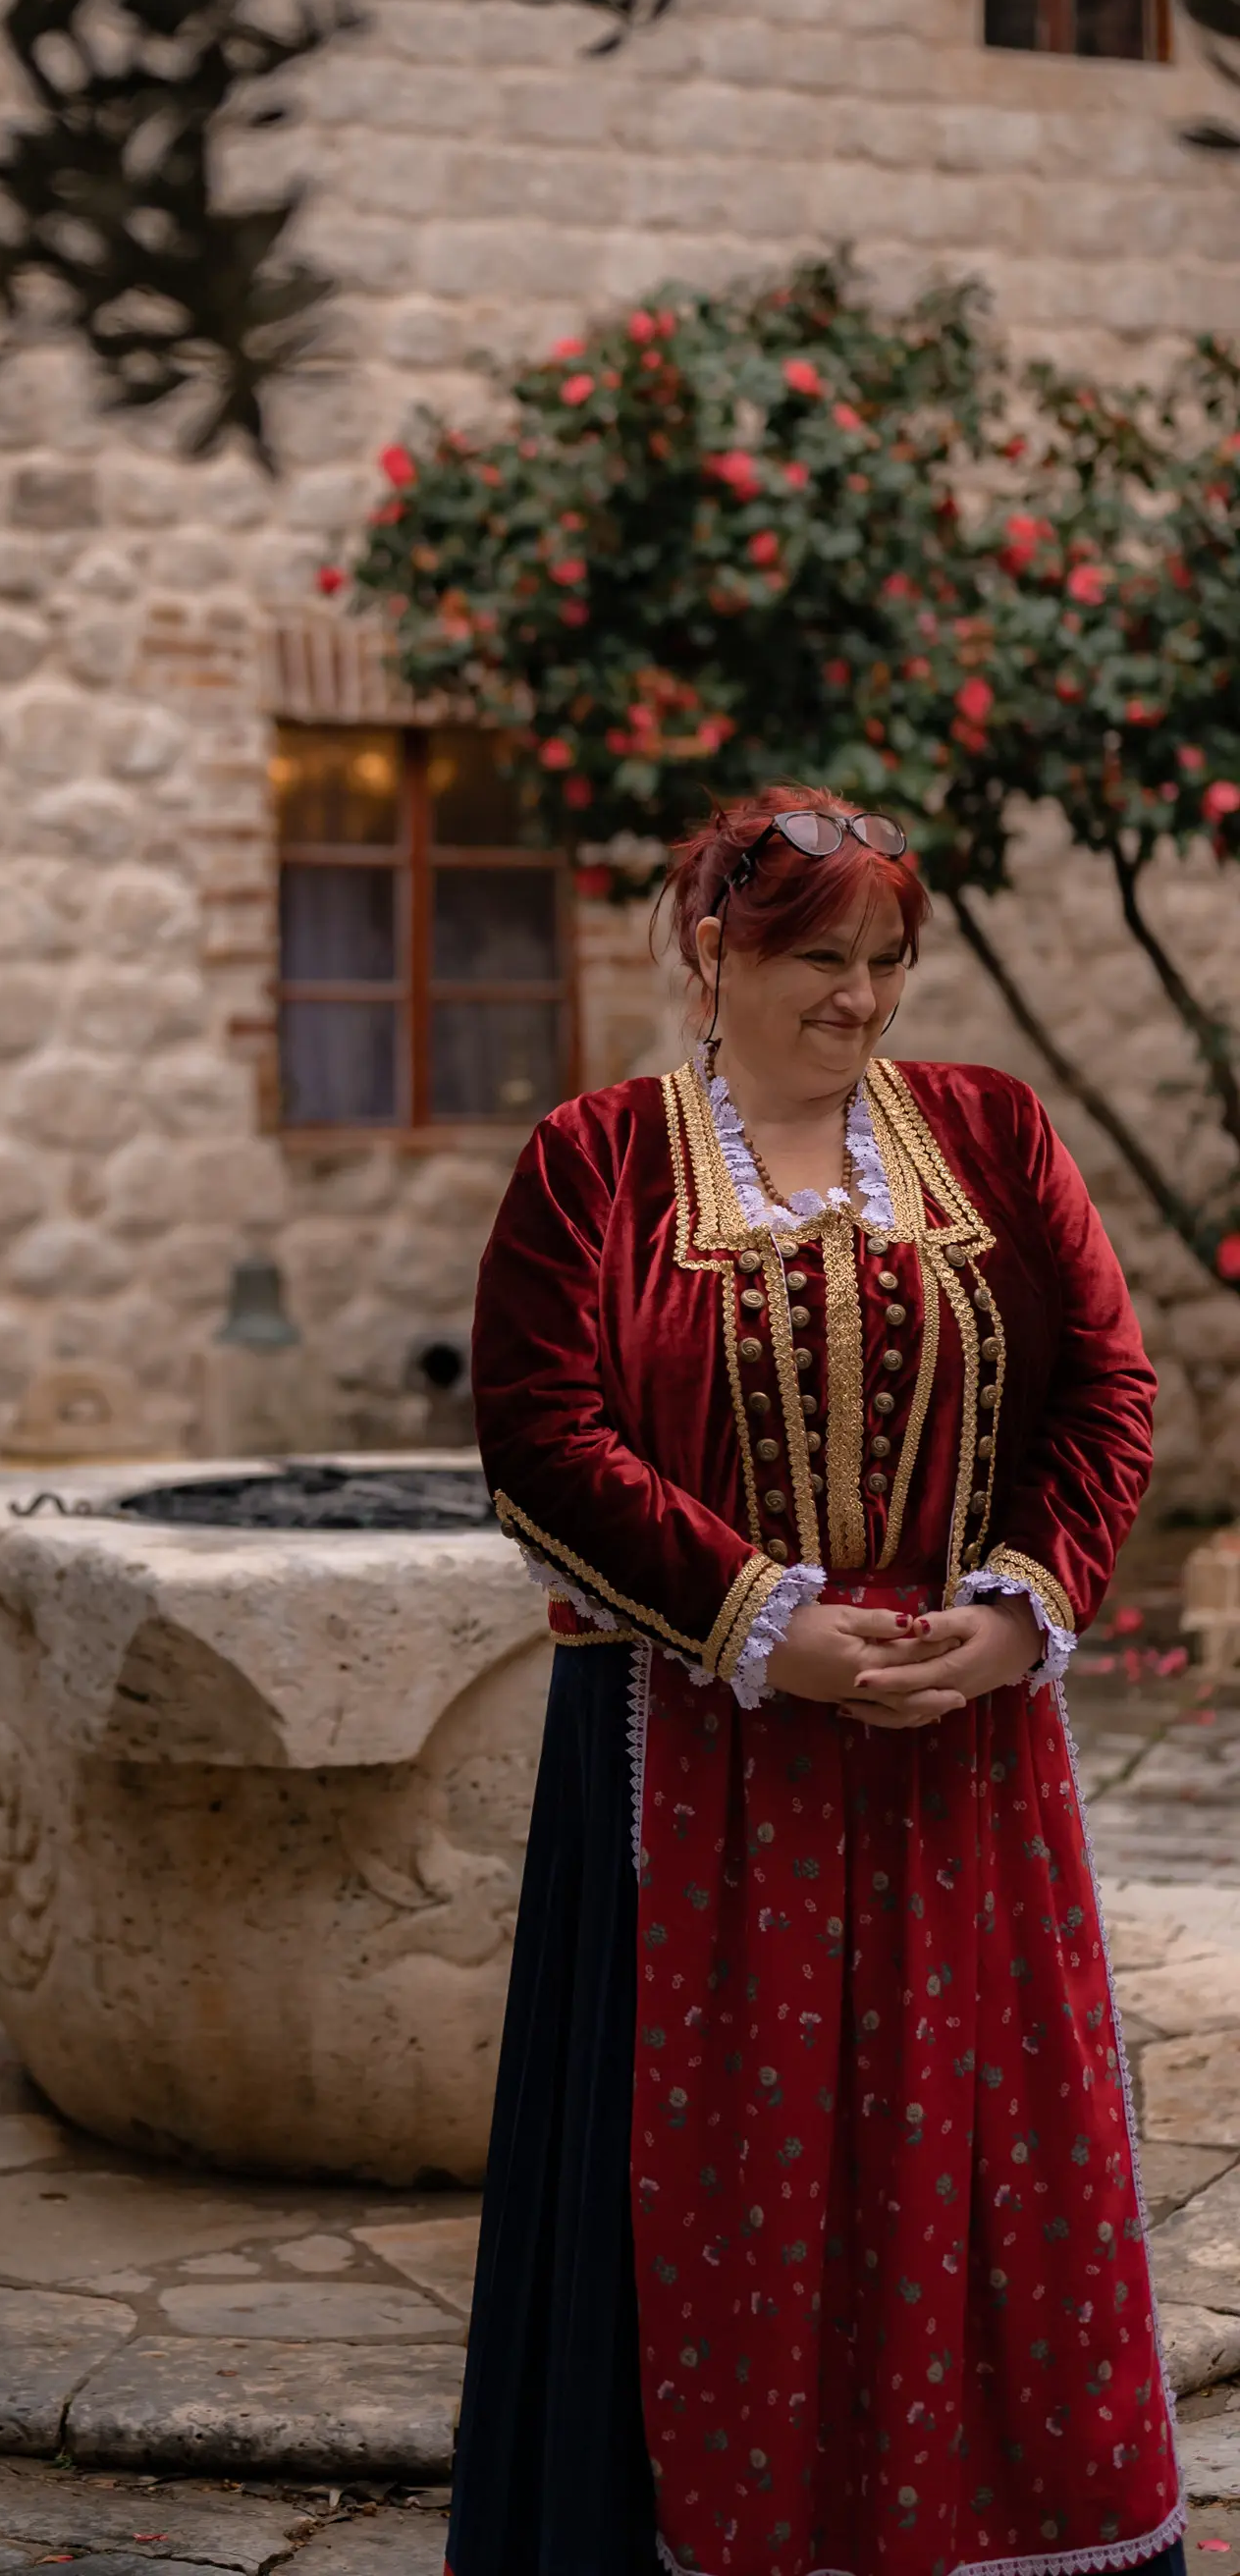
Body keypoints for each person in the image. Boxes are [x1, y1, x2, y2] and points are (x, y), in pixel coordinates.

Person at [449, 785, 1181, 2576]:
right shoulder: (595, 1163)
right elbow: (539, 1432)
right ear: (717, 951)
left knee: (974, 2164)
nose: (857, 999)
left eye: (886, 961)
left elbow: (1105, 1388)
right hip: (690, 1747)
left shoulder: (993, 1138)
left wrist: (1018, 1615)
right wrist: (765, 1623)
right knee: (718, 2197)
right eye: (815, 960)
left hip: (957, 1746)